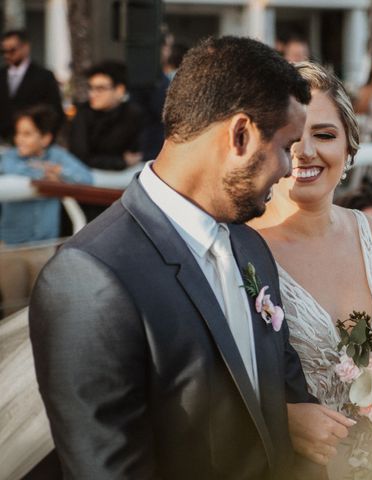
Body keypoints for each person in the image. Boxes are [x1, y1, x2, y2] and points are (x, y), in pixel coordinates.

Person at [29, 36, 321, 479]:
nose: (288, 169)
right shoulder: (88, 277)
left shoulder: (250, 247)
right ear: (240, 134)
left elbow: (284, 397)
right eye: (286, 146)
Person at [249, 61, 372, 477]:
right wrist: (283, 419)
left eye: (325, 135)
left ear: (349, 147)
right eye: (292, 136)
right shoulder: (243, 248)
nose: (306, 151)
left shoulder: (371, 233)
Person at [0, 104, 92, 315]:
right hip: (10, 247)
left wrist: (60, 172)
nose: (19, 139)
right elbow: (12, 172)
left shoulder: (57, 156)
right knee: (11, 309)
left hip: (43, 246)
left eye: (27, 134)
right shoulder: (10, 157)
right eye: (18, 133)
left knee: (40, 308)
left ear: (45, 138)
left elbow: (84, 178)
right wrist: (48, 176)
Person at [68, 60, 143, 221]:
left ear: (119, 90)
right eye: (91, 88)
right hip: (86, 196)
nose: (92, 94)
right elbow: (80, 157)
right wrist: (120, 162)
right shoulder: (82, 115)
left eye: (100, 88)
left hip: (124, 195)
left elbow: (141, 152)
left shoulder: (134, 114)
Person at [0, 29, 64, 142]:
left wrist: (45, 140)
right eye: (3, 51)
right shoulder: (1, 75)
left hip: (35, 144)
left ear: (25, 47)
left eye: (12, 50)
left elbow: (55, 112)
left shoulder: (44, 76)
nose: (7, 55)